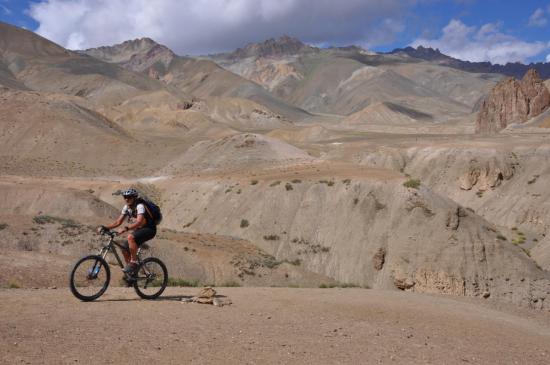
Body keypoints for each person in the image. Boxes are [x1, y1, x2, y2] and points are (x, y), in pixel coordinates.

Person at [98, 188, 157, 274]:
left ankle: (134, 262)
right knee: (124, 249)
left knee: (130, 237)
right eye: (125, 197)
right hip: (140, 229)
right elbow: (118, 222)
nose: (126, 199)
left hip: (150, 229)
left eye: (129, 197)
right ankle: (131, 273)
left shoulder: (140, 206)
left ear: (134, 198)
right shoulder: (126, 207)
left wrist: (126, 228)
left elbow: (139, 221)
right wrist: (106, 227)